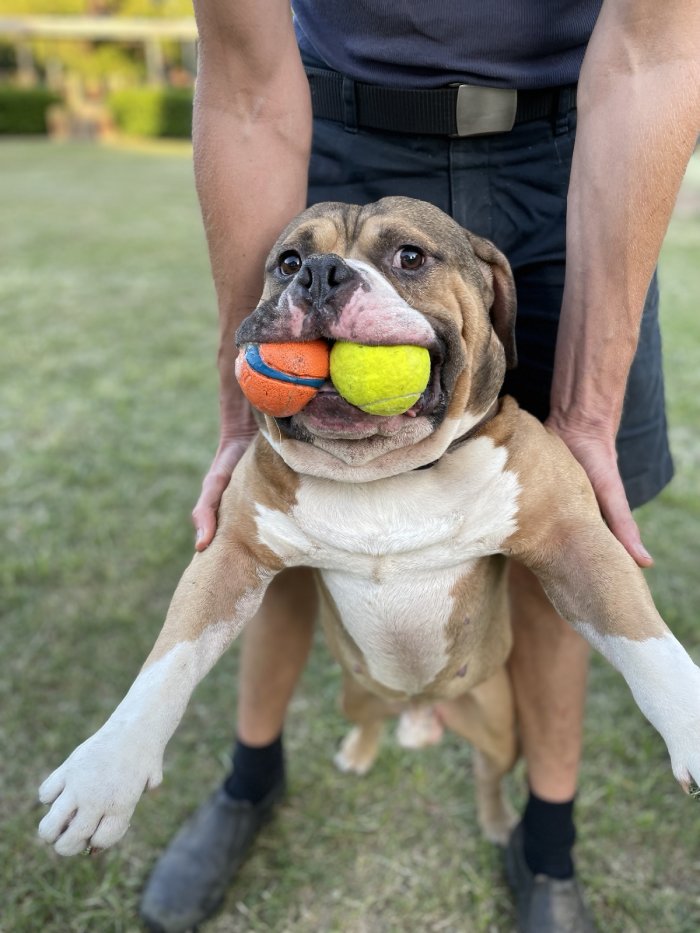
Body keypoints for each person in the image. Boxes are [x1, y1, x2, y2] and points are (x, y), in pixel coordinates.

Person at [140, 3, 700, 931]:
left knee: (571, 522)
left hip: (574, 135)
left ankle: (549, 842)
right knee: (281, 500)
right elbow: (243, 80)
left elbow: (655, 51)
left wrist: (590, 410)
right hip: (340, 128)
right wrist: (242, 403)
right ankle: (250, 777)